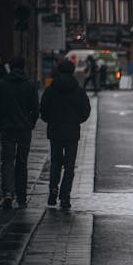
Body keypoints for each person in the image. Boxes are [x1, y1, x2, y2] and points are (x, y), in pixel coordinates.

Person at [40, 59, 91, 209]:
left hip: (55, 131)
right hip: (72, 132)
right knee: (69, 166)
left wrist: (51, 120)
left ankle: (53, 191)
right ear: (72, 71)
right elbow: (85, 111)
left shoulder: (51, 89)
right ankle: (65, 196)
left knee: (55, 163)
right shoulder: (78, 90)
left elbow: (43, 110)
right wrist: (77, 121)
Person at [0, 57, 40, 209]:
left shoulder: (2, 84)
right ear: (23, 67)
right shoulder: (30, 84)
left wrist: (0, 124)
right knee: (22, 162)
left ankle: (8, 192)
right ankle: (21, 196)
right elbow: (35, 108)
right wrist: (30, 123)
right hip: (24, 128)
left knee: (7, 161)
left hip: (7, 128)